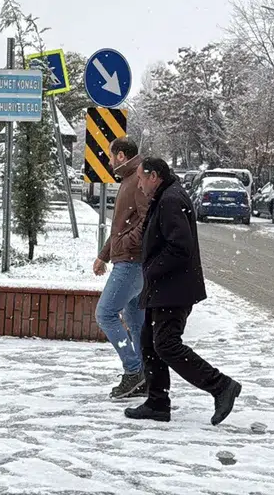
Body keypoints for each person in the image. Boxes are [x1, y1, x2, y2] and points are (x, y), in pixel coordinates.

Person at [125, 157, 241, 426]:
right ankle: (157, 403)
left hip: (173, 289)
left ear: (154, 176)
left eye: (141, 178)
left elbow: (180, 247)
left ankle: (221, 386)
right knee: (149, 343)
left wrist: (151, 269)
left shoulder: (170, 200)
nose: (139, 184)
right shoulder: (166, 195)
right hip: (163, 288)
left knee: (166, 344)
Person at [92, 137, 149, 399]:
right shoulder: (130, 179)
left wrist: (125, 244)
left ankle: (134, 370)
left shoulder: (137, 180)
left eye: (111, 156)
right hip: (132, 261)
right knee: (136, 323)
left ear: (122, 156)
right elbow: (121, 226)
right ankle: (145, 376)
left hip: (131, 263)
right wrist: (104, 255)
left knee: (105, 313)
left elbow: (147, 222)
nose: (109, 161)